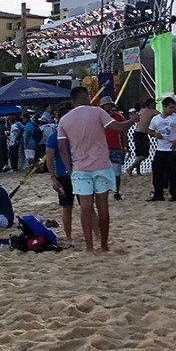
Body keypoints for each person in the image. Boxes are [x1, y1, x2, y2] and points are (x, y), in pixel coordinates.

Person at [58, 87, 139, 253]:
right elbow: (118, 127)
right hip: (101, 165)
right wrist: (133, 120)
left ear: (72, 101)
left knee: (85, 208)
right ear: (88, 98)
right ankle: (103, 244)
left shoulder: (64, 120)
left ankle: (89, 247)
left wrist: (70, 169)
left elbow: (62, 148)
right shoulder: (97, 112)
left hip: (80, 168)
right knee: (103, 207)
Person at [45, 116, 74, 242]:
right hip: (64, 176)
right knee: (67, 207)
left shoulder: (74, 134)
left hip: (78, 173)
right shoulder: (54, 137)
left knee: (87, 206)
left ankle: (96, 234)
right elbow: (49, 160)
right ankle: (68, 236)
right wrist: (53, 178)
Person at [99, 97, 129, 201]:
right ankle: (105, 191)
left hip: (115, 146)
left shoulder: (118, 117)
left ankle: (116, 192)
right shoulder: (99, 117)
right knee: (102, 172)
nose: (109, 107)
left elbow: (123, 132)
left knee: (116, 172)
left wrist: (126, 145)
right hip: (103, 147)